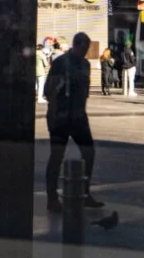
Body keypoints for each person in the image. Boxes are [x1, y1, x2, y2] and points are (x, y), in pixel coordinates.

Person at [44, 32, 105, 213]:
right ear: (75, 45)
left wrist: (82, 111)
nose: (85, 51)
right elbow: (50, 90)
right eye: (83, 48)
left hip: (78, 116)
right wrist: (55, 114)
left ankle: (84, 192)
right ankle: (52, 198)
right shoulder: (61, 62)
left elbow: (84, 91)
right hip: (61, 115)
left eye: (87, 48)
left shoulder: (85, 64)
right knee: (56, 156)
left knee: (89, 152)